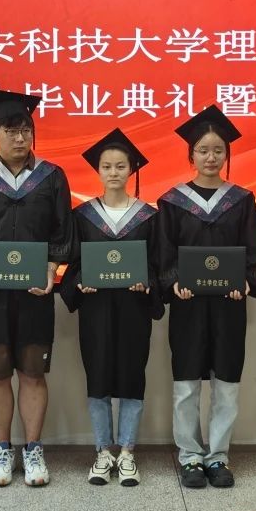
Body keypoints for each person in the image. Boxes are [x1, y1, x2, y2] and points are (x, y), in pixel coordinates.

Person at [0, 89, 73, 487]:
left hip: (35, 293)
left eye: (26, 130)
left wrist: (52, 269)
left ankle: (33, 450)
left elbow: (62, 230)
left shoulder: (52, 176)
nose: (20, 138)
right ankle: (2, 451)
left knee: (33, 372)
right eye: (11, 130)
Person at [157, 105, 256, 489]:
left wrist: (247, 281)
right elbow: (164, 255)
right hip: (188, 305)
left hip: (228, 305)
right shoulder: (173, 202)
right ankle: (190, 456)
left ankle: (218, 456)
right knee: (186, 383)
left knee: (227, 383)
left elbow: (254, 253)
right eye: (203, 150)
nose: (210, 157)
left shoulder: (241, 201)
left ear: (226, 155)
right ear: (191, 155)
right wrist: (174, 282)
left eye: (218, 150)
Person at [59, 128, 163, 487]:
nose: (114, 172)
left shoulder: (149, 217)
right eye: (107, 166)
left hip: (134, 309)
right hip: (96, 310)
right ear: (98, 170)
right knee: (98, 376)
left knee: (133, 376)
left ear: (132, 169)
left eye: (121, 166)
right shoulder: (83, 216)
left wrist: (146, 282)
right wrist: (80, 283)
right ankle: (103, 451)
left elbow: (157, 264)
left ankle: (128, 451)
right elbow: (73, 266)